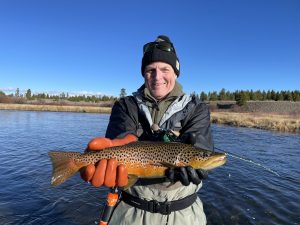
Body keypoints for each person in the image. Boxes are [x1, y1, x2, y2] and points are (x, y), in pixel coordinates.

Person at [81, 35, 214, 225]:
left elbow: (201, 144)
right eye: (150, 70)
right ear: (143, 74)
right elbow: (120, 137)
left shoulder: (197, 108)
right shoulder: (126, 105)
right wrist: (110, 150)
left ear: (176, 73)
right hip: (130, 213)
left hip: (184, 215)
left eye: (165, 69)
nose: (157, 77)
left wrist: (200, 159)